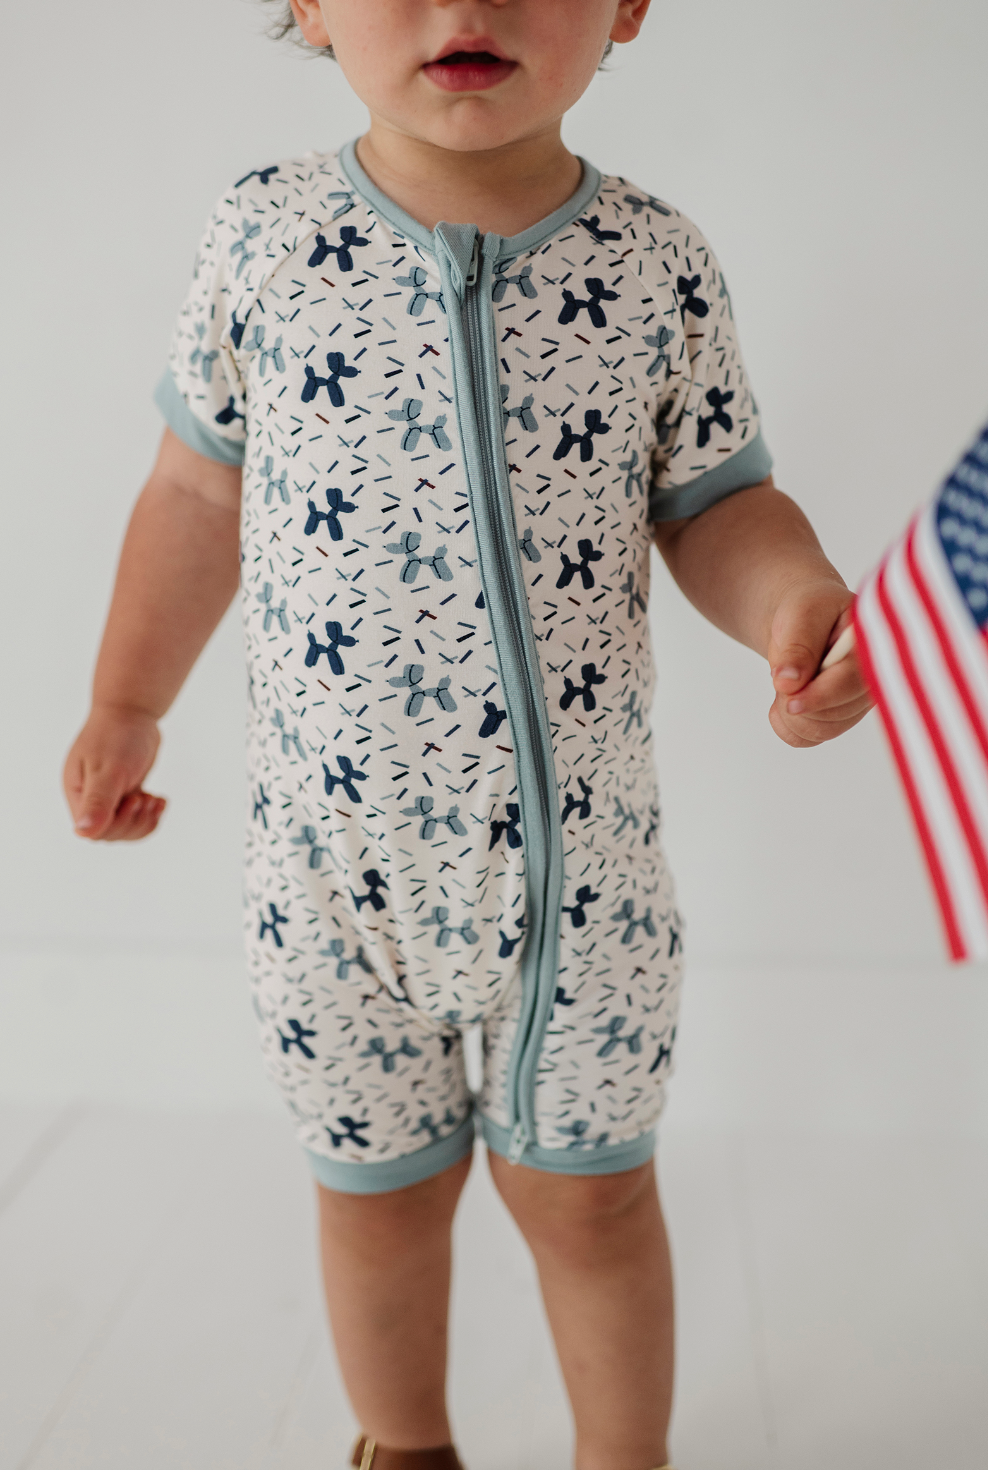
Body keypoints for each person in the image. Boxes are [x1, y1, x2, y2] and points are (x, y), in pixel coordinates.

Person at [62, 3, 872, 1466]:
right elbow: (193, 491)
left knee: (592, 1199)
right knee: (376, 1196)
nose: (467, 5)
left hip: (584, 887)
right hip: (329, 879)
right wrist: (127, 701)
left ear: (629, 4)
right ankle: (405, 1445)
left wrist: (791, 600)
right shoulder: (265, 238)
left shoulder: (655, 263)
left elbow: (719, 504)